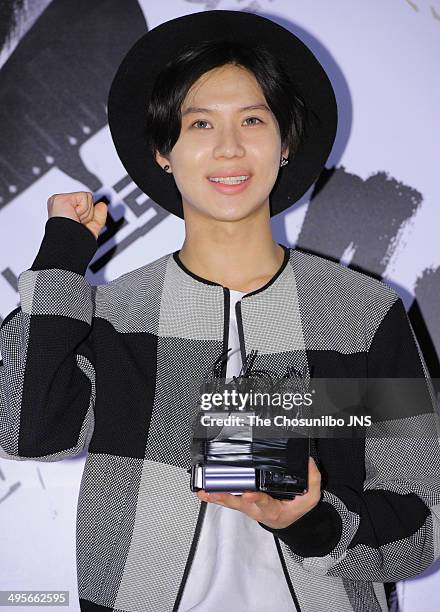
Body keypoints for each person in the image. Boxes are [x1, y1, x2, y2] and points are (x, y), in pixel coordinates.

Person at [1, 9, 439, 612]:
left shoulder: (364, 312)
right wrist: (59, 260)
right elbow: (25, 434)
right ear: (163, 150)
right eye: (200, 122)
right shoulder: (116, 314)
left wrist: (313, 522)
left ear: (286, 143)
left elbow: (422, 522)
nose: (229, 147)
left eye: (253, 120)